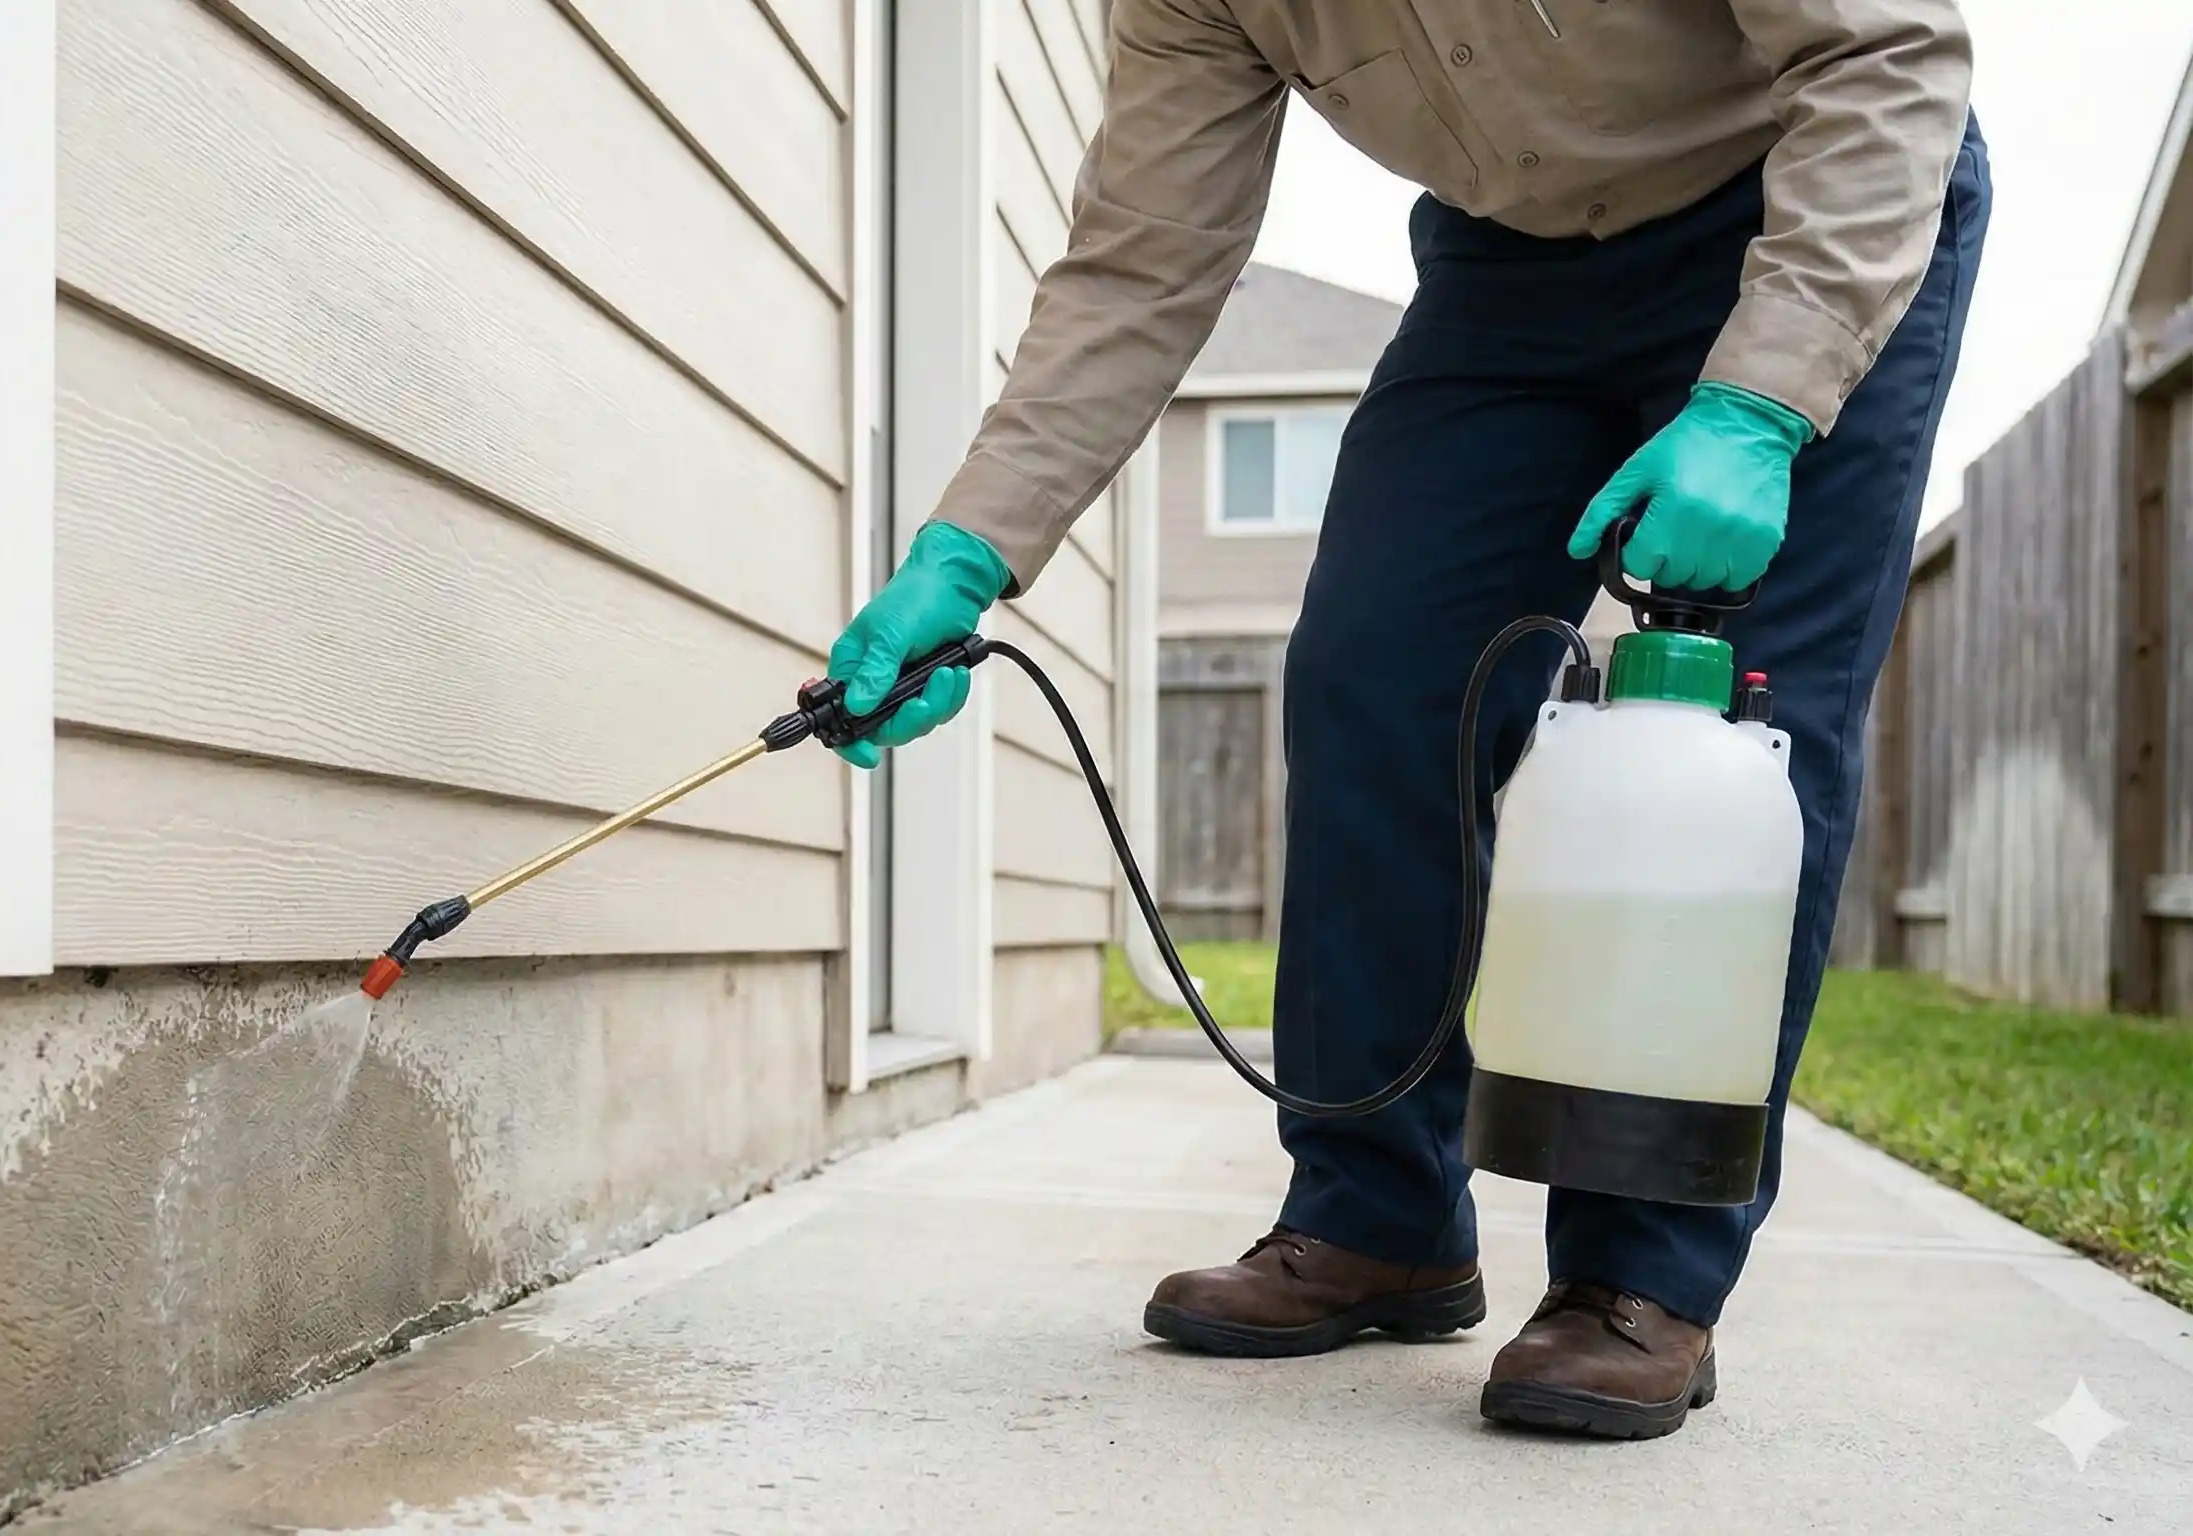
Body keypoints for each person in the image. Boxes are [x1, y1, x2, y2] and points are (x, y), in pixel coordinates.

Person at [828, 0, 1985, 1439]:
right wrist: (968, 558)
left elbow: (1888, 55)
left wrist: (1764, 400)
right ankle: (1380, 1216)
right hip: (1509, 275)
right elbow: (1139, 264)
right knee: (1373, 680)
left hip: (1808, 202)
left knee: (1739, 735)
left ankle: (1640, 1277)